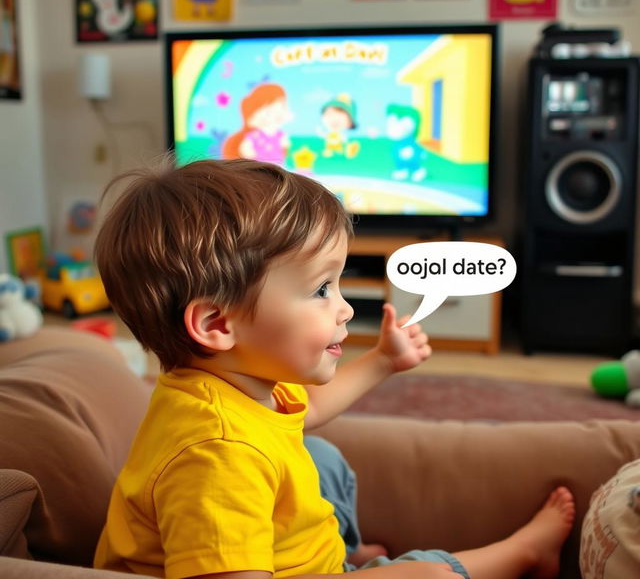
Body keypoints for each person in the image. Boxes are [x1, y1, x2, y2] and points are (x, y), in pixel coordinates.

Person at [93, 159, 576, 579]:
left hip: (288, 548)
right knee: (430, 571)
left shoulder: (230, 381)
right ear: (218, 322)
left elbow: (312, 408)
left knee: (319, 456)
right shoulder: (216, 457)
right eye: (322, 289)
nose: (344, 309)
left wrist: (383, 360)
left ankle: (345, 549)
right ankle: (524, 554)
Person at [222, 83, 293, 163]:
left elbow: (285, 148)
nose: (276, 114)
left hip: (278, 169)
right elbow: (247, 151)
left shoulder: (279, 135)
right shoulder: (255, 136)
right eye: (269, 111)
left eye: (282, 108)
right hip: (261, 169)